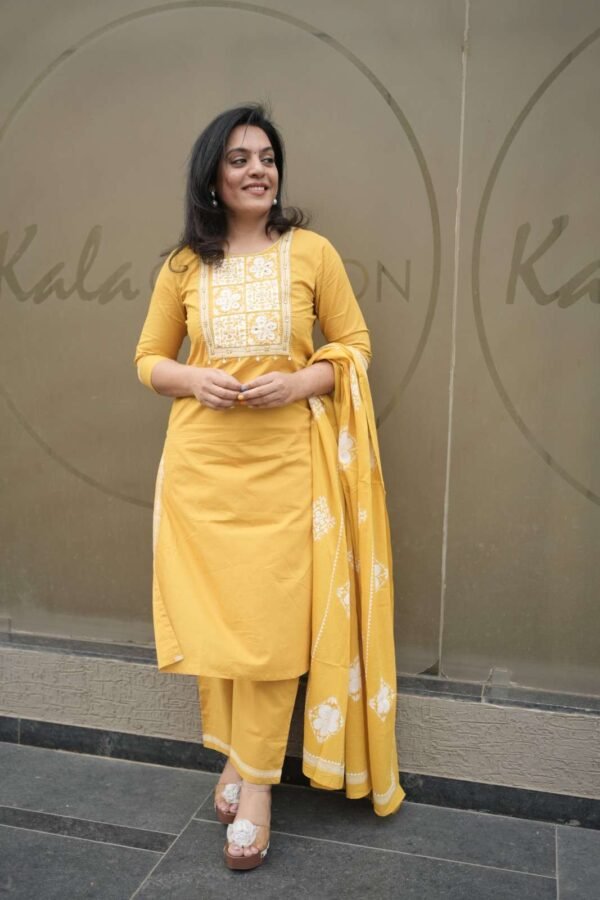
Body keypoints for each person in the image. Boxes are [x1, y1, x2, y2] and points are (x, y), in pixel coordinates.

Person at [134, 103, 404, 872]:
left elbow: (354, 345)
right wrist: (193, 379)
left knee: (273, 633)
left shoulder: (312, 252)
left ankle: (255, 787)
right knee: (221, 628)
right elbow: (148, 359)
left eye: (267, 157)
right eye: (240, 159)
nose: (258, 170)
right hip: (203, 473)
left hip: (287, 470)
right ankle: (240, 756)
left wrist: (301, 383)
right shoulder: (184, 266)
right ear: (212, 177)